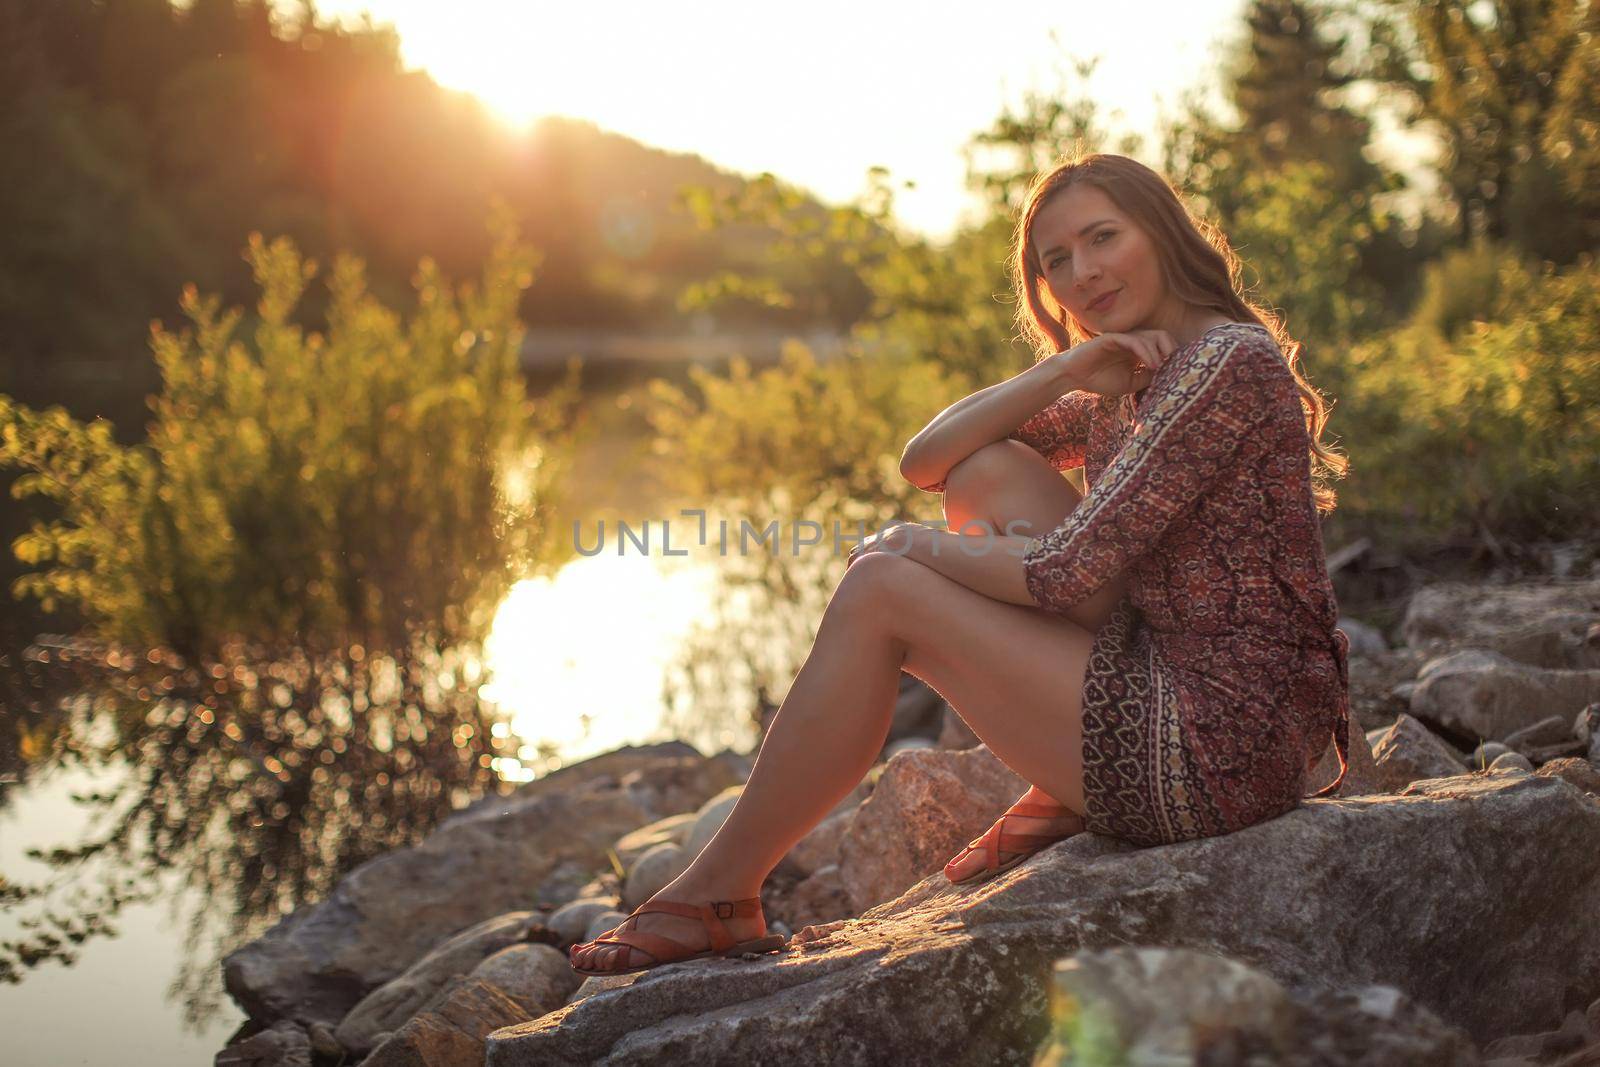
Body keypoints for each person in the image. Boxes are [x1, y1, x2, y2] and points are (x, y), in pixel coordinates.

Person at [568, 152, 1352, 976]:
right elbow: (929, 459)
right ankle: (1064, 783)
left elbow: (1064, 571)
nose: (1083, 273)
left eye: (1102, 238)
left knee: (879, 590)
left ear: (1160, 230)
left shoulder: (1222, 364)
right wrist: (1064, 367)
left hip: (1219, 750)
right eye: (1057, 261)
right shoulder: (1137, 374)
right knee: (986, 468)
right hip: (1180, 683)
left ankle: (716, 894)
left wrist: (907, 547)